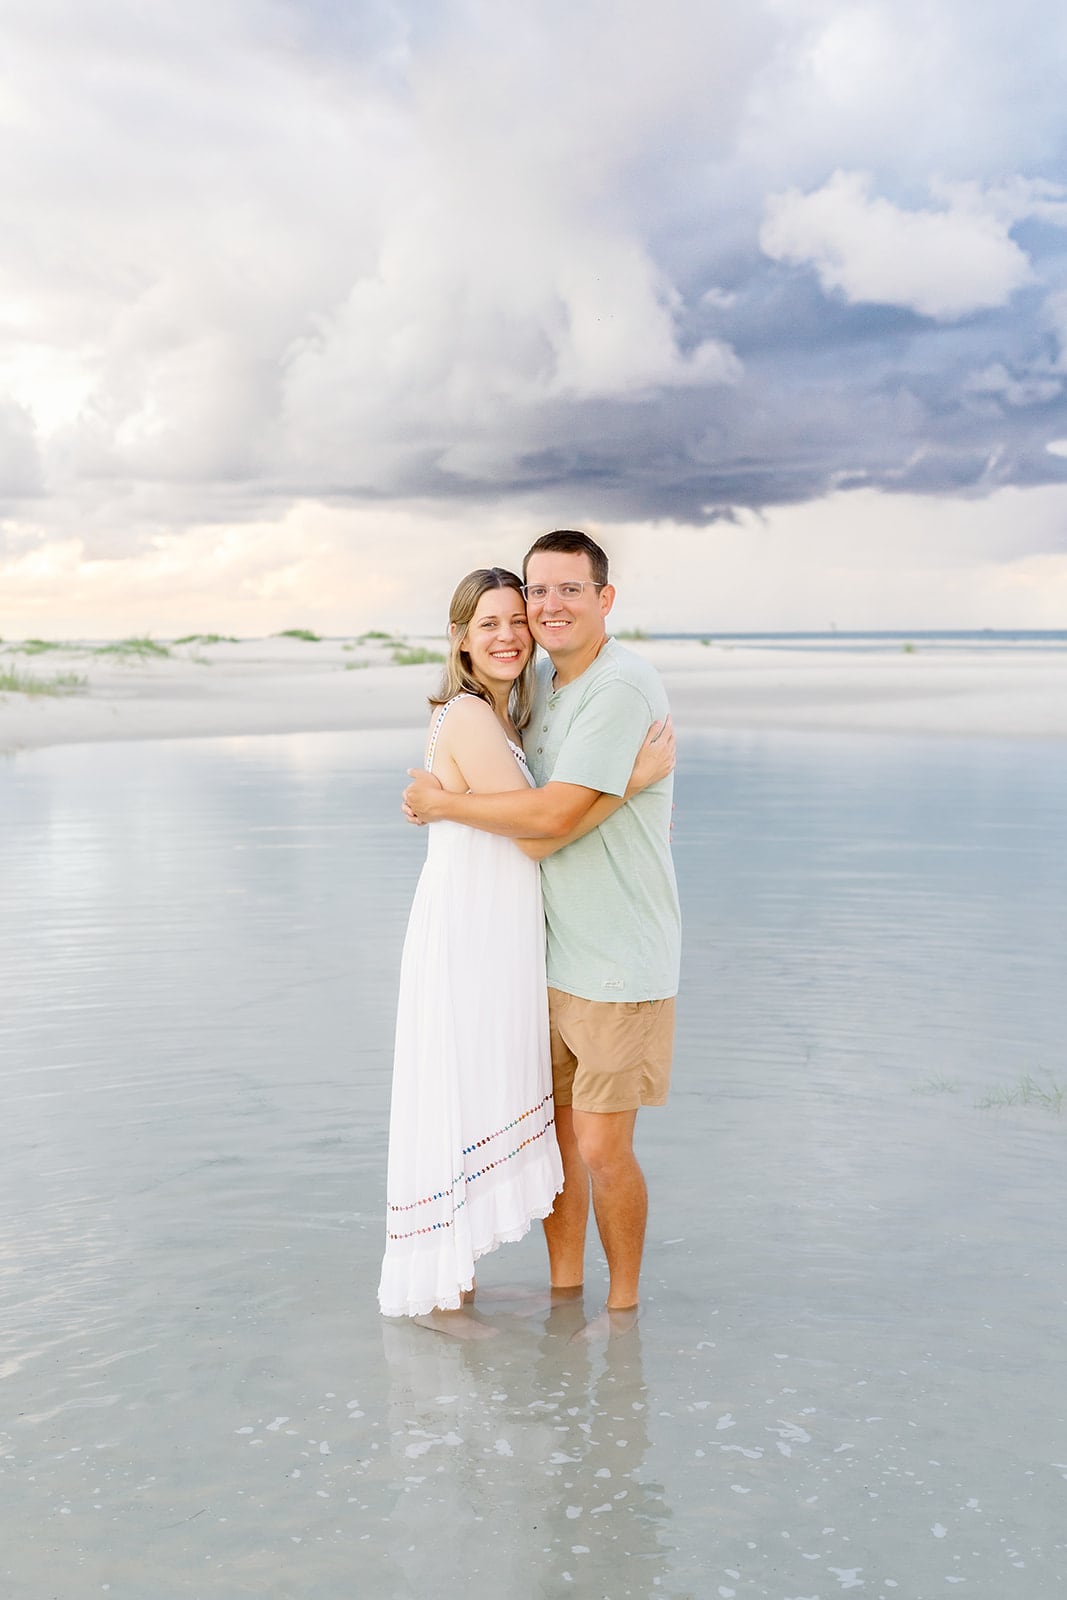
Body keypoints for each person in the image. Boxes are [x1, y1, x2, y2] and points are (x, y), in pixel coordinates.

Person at [379, 566, 672, 1335]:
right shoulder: (474, 719)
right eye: (490, 624)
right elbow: (539, 836)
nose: (510, 633)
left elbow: (531, 823)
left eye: (517, 618)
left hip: (499, 941)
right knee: (462, 1099)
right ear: (460, 639)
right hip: (472, 941)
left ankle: (485, 1300)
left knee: (470, 1103)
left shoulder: (512, 714)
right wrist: (631, 780)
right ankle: (451, 1295)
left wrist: (446, 803)